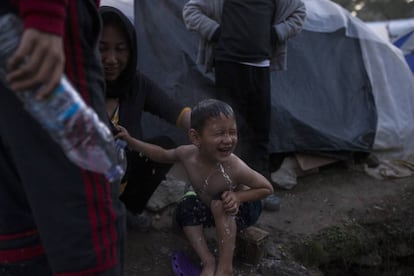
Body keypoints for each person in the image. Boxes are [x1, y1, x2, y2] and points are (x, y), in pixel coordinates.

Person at [0, 1, 125, 275]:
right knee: (78, 231)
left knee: (30, 228)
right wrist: (44, 12)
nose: (112, 59)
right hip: (28, 26)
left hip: (19, 27)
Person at [115, 98, 274, 275]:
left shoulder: (234, 167)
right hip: (210, 207)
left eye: (232, 132)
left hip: (243, 210)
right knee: (185, 207)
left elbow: (266, 188)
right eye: (219, 133)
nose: (228, 140)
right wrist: (131, 141)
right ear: (196, 137)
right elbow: (161, 154)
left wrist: (238, 197)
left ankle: (225, 268)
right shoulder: (187, 154)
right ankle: (208, 261)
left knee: (219, 202)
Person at [182, 0, 306, 210]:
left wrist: (276, 33)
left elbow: (299, 13)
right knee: (224, 132)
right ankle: (223, 189)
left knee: (260, 129)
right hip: (228, 64)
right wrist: (216, 31)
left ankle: (259, 189)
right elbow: (190, 11)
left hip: (260, 65)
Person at [99, 6, 191, 231]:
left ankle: (129, 208)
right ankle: (111, 216)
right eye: (101, 48)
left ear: (131, 51)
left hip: (124, 175)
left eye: (120, 49)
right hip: (86, 186)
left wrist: (211, 130)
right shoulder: (76, 90)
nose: (111, 59)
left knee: (164, 148)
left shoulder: (136, 84)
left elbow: (175, 112)